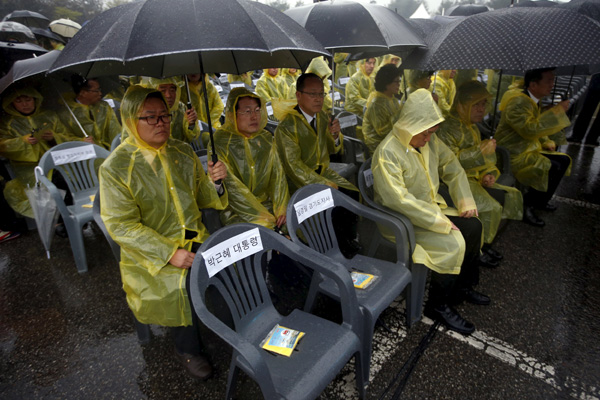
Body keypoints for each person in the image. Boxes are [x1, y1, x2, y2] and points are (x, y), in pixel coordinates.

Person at [99, 86, 228, 380]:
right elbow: (121, 225)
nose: (161, 123)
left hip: (195, 237)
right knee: (177, 286)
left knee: (229, 265)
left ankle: (228, 323)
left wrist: (216, 182)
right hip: (150, 252)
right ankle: (188, 350)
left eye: (165, 116)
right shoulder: (116, 168)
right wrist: (169, 253)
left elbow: (205, 198)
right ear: (132, 120)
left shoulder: (182, 151)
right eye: (151, 117)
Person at [372, 89, 488, 335]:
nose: (428, 138)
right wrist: (439, 220)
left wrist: (464, 199)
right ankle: (437, 305)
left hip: (428, 209)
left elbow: (452, 167)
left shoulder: (428, 141)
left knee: (474, 225)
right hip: (401, 220)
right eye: (424, 132)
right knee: (454, 243)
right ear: (409, 126)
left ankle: (461, 287)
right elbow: (399, 200)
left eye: (431, 132)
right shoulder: (387, 153)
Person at [437, 81, 523, 266]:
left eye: (483, 104)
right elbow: (447, 164)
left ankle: (484, 242)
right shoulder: (447, 128)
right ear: (461, 105)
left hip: (472, 179)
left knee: (501, 196)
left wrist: (487, 173)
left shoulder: (472, 126)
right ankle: (477, 249)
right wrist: (479, 152)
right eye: (475, 104)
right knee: (489, 207)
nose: (481, 109)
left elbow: (486, 161)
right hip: (450, 183)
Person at [275, 73, 359, 256]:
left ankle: (346, 241)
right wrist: (322, 184)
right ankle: (336, 248)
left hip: (322, 173)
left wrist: (335, 135)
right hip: (298, 181)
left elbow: (332, 149)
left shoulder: (322, 118)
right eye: (312, 94)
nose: (318, 99)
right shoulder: (287, 127)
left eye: (321, 94)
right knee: (333, 200)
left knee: (351, 192)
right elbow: (293, 166)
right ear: (298, 95)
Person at [495, 68, 572, 227]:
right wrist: (557, 112)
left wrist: (545, 140)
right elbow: (529, 129)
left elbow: (535, 126)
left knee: (563, 161)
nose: (552, 84)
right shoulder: (518, 102)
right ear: (533, 84)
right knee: (550, 166)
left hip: (527, 147)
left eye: (553, 80)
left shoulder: (533, 100)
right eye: (548, 80)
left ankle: (540, 201)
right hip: (512, 152)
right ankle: (526, 206)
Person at [213, 87, 289, 231]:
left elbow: (277, 175)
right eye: (247, 111)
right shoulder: (221, 141)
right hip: (237, 211)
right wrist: (261, 217)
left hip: (267, 204)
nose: (254, 116)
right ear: (232, 115)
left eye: (257, 110)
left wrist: (281, 207)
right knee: (264, 235)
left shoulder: (265, 138)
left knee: (293, 225)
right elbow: (234, 189)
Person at [0, 87, 73, 218]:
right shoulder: (7, 124)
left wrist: (54, 137)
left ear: (35, 100)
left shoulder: (49, 116)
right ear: (12, 103)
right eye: (19, 101)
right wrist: (23, 141)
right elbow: (3, 145)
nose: (25, 104)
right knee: (49, 185)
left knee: (65, 179)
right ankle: (60, 219)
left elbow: (68, 138)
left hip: (57, 161)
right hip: (29, 169)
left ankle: (70, 216)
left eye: (28, 100)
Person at [58, 76, 121, 150]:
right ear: (83, 93)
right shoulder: (66, 114)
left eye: (100, 89)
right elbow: (64, 138)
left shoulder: (103, 107)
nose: (100, 93)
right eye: (96, 90)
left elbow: (115, 130)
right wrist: (81, 141)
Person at [144, 77, 201, 143]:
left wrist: (191, 124)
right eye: (163, 90)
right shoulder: (144, 112)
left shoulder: (182, 109)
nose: (168, 95)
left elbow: (192, 138)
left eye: (172, 90)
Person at [362, 64, 403, 154]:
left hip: (392, 141)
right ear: (386, 82)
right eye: (396, 81)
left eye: (399, 81)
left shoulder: (393, 99)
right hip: (379, 147)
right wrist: (400, 114)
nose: (399, 84)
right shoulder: (376, 104)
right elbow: (383, 132)